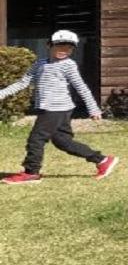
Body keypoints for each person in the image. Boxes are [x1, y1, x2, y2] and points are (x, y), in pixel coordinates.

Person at [0, 30, 118, 184]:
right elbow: (23, 82)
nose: (64, 51)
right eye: (60, 46)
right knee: (63, 141)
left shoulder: (68, 65)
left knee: (36, 139)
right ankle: (103, 160)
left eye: (69, 48)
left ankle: (31, 172)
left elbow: (81, 87)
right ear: (49, 45)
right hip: (49, 108)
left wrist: (93, 108)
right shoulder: (40, 63)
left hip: (56, 108)